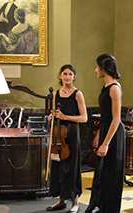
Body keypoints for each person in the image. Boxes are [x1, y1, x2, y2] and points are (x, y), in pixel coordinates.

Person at [85, 54, 126, 213]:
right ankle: (101, 206)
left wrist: (106, 143)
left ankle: (109, 209)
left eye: (97, 67)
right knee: (102, 174)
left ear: (103, 68)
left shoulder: (115, 88)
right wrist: (98, 136)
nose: (95, 70)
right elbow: (105, 116)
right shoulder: (105, 87)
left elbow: (116, 119)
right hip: (106, 131)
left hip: (114, 136)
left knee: (110, 175)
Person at [46, 64, 87, 213]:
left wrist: (65, 117)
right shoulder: (57, 93)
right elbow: (56, 112)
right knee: (58, 167)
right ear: (60, 76)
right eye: (65, 74)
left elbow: (84, 118)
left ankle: (75, 203)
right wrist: (52, 116)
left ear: (74, 77)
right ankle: (61, 201)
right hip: (59, 134)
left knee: (72, 167)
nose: (67, 77)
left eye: (70, 74)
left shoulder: (78, 94)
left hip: (72, 134)